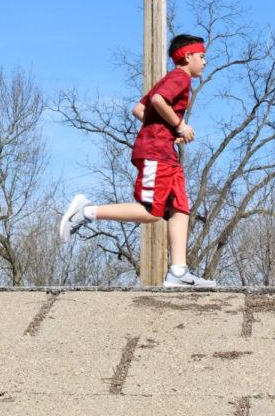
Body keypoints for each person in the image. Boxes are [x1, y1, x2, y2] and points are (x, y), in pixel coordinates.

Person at [58, 34, 216, 287]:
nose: (205, 62)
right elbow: (157, 101)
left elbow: (139, 109)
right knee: (152, 212)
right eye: (202, 56)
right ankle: (86, 212)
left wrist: (165, 131)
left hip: (165, 152)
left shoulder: (169, 79)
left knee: (180, 208)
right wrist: (179, 125)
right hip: (156, 153)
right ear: (188, 57)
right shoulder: (180, 77)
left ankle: (178, 272)